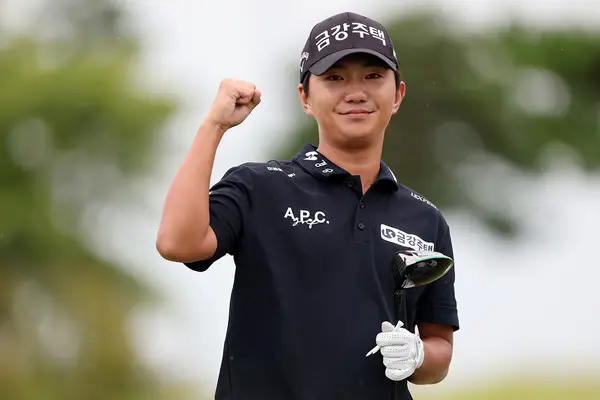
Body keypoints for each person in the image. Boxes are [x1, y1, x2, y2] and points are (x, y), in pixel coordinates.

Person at [156, 11, 459, 400]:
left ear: (397, 94)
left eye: (372, 76)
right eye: (335, 78)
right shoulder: (260, 187)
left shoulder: (425, 219)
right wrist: (213, 126)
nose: (355, 92)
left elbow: (440, 347)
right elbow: (177, 243)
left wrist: (418, 355)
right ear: (305, 97)